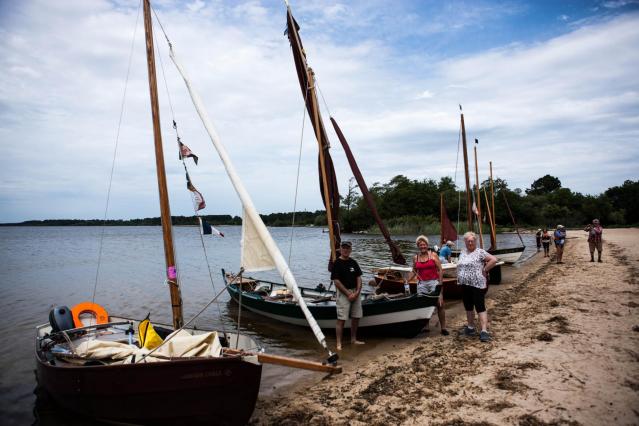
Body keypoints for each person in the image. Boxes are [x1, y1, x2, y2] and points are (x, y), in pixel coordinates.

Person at [457, 231, 498, 342]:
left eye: (472, 240)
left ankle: (484, 331)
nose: (470, 242)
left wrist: (485, 269)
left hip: (477, 284)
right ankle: (470, 327)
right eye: (468, 241)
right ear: (465, 242)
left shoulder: (480, 252)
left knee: (480, 306)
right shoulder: (463, 252)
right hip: (465, 284)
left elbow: (494, 260)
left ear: (475, 241)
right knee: (468, 306)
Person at [408, 236, 448, 335]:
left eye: (424, 244)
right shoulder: (415, 257)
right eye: (420, 245)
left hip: (434, 282)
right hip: (421, 284)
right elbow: (414, 271)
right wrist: (407, 279)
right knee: (423, 305)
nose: (423, 246)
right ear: (418, 246)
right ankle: (426, 326)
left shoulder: (433, 255)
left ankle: (443, 327)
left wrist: (440, 283)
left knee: (440, 304)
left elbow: (440, 270)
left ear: (427, 245)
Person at [331, 241, 364, 350]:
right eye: (343, 248)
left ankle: (353, 339)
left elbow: (359, 278)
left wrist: (357, 291)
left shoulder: (353, 262)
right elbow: (336, 281)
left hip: (355, 293)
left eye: (347, 248)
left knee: (356, 317)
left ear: (350, 250)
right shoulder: (337, 263)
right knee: (341, 319)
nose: (345, 250)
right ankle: (339, 343)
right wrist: (348, 293)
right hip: (344, 293)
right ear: (340, 249)